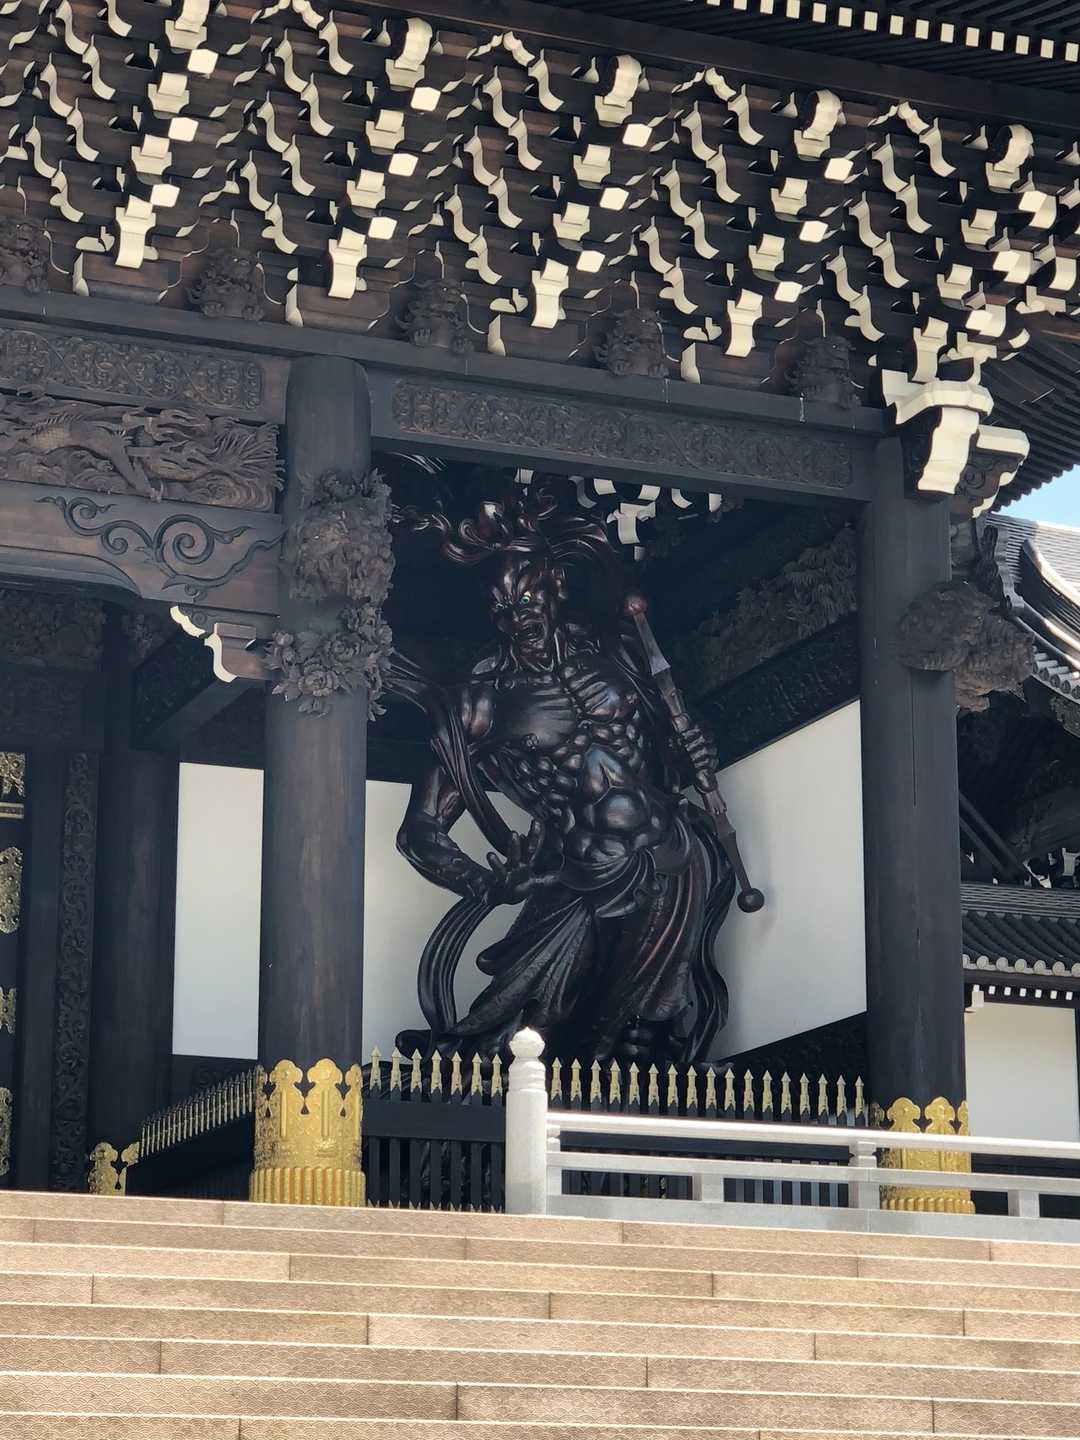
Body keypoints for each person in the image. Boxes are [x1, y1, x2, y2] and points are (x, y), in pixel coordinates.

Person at [391, 489, 735, 1062]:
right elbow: (419, 831)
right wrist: (487, 883)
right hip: (579, 869)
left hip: (669, 850)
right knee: (530, 1035)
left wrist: (694, 745)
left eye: (526, 599)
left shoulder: (616, 656)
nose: (516, 618)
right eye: (502, 607)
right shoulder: (483, 702)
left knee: (643, 1039)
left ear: (556, 585)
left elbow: (667, 751)